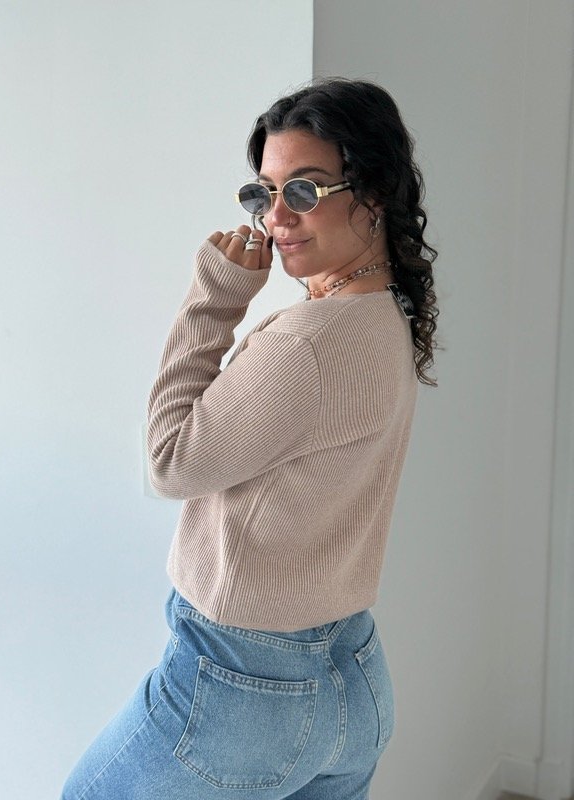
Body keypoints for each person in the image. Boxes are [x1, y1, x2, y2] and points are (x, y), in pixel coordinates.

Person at [61, 76, 439, 800]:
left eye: (304, 190)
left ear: (373, 192)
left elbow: (169, 462)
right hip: (353, 679)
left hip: (244, 690)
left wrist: (215, 297)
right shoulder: (381, 318)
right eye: (263, 194)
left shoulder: (309, 342)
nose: (275, 218)